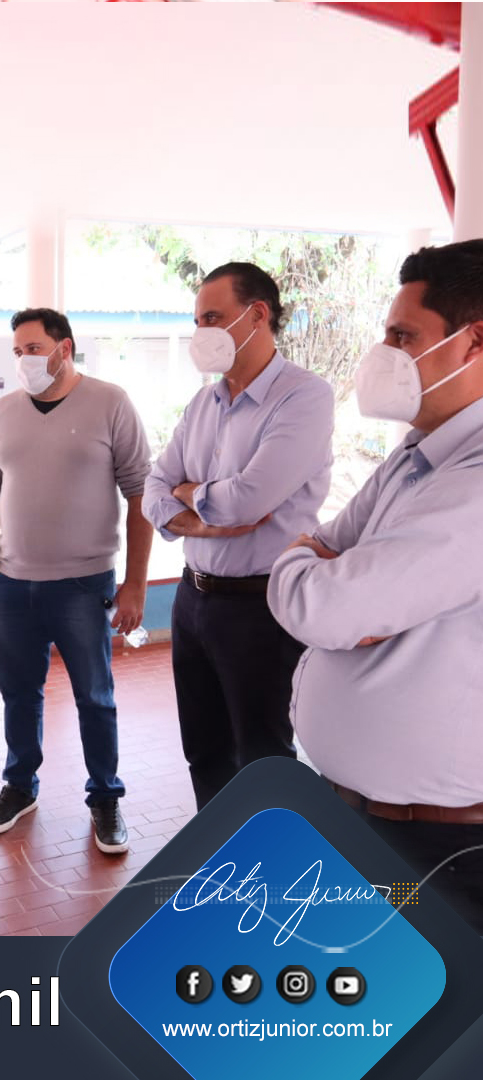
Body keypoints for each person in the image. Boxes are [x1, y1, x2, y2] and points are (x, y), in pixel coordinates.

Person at [269, 239, 483, 932]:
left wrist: (312, 563)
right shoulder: (416, 455)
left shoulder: (475, 483)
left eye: (403, 336)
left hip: (439, 846)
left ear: (474, 343)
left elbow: (324, 605)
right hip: (371, 822)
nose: (382, 353)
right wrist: (321, 561)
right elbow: (328, 552)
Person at [142, 263, 334, 811]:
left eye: (212, 317)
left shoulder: (303, 397)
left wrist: (186, 493)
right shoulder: (203, 404)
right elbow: (153, 488)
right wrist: (202, 514)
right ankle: (221, 849)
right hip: (192, 599)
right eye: (197, 320)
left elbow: (248, 500)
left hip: (260, 607)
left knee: (263, 756)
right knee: (204, 750)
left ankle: (270, 862)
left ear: (257, 315)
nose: (201, 332)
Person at [0, 307, 153, 853]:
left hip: (83, 585)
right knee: (18, 694)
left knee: (95, 697)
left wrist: (136, 585)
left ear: (64, 348)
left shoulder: (110, 402)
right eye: (18, 351)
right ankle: (19, 786)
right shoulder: (2, 412)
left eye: (33, 348)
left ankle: (105, 797)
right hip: (10, 587)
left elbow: (141, 495)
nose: (24, 359)